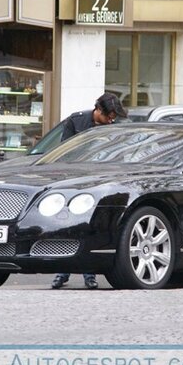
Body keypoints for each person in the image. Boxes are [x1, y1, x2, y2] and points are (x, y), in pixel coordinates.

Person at [51, 92, 127, 289]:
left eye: (114, 117)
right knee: (67, 226)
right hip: (74, 181)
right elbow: (65, 151)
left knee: (92, 227)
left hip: (99, 183)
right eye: (109, 116)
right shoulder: (76, 121)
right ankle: (62, 271)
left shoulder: (113, 127)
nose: (112, 120)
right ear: (99, 110)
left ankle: (89, 274)